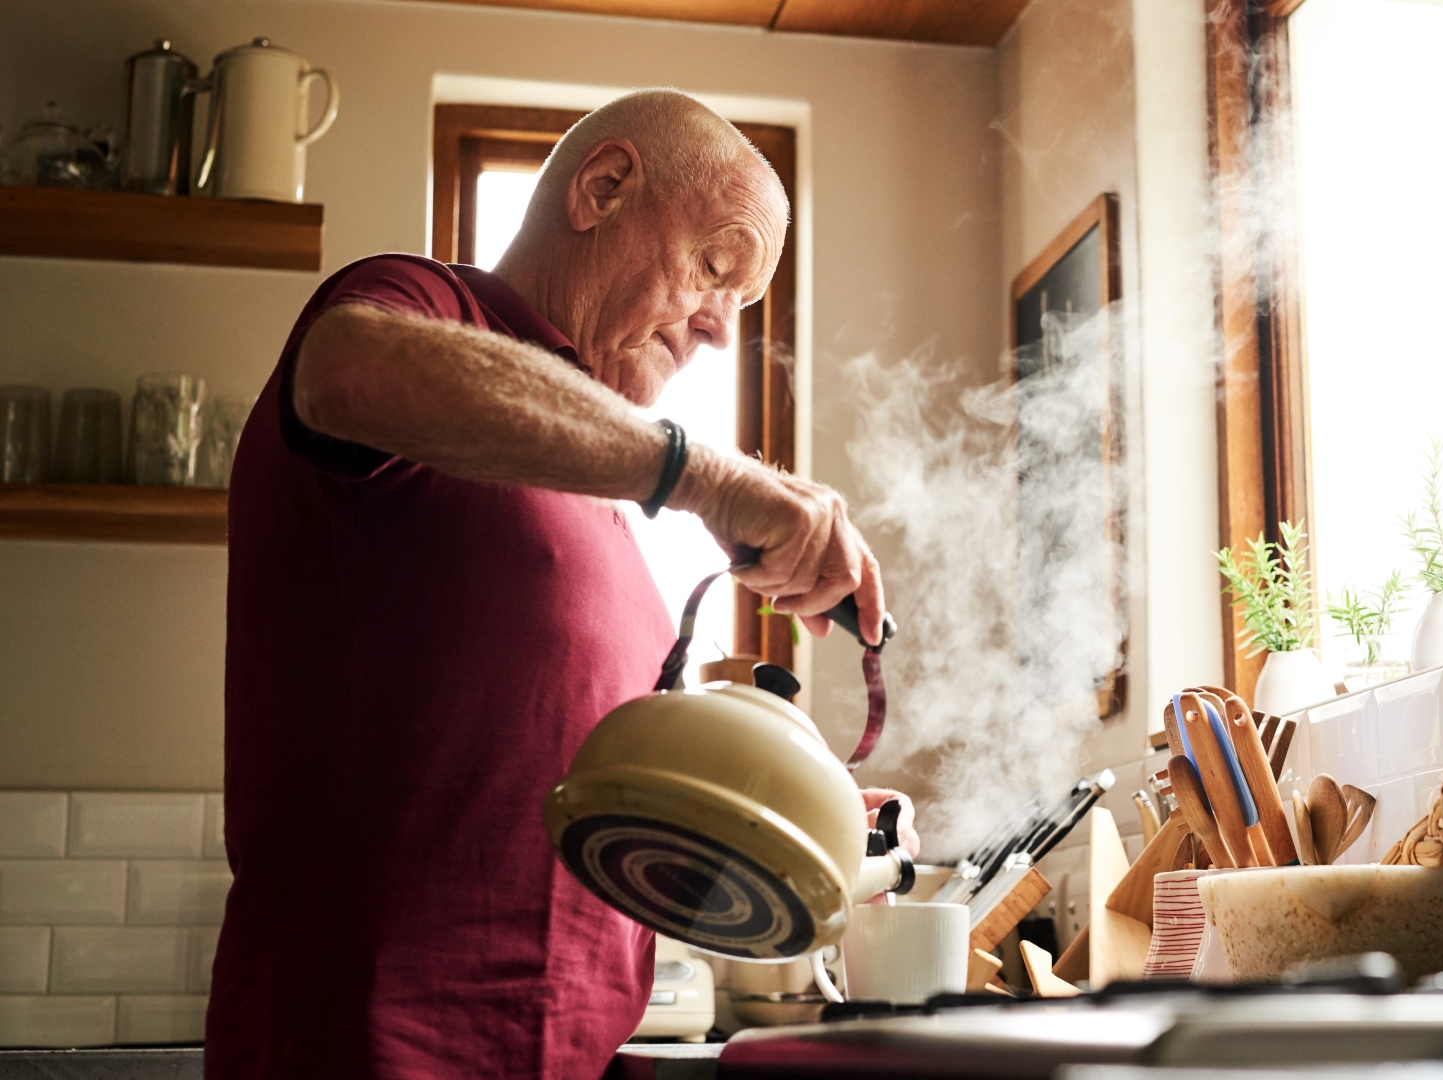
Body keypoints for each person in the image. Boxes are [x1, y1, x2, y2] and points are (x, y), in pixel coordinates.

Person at [208, 88, 915, 1080]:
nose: (720, 331)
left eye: (742, 307)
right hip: (375, 1040)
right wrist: (707, 475)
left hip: (567, 1050)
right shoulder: (421, 307)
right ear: (605, 186)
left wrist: (793, 803)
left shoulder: (600, 502)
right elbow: (348, 370)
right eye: (716, 269)